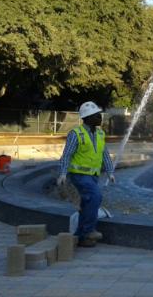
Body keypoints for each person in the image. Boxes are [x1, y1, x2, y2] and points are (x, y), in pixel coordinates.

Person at [57, 101, 115, 247]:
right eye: (96, 115)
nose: (100, 117)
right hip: (79, 175)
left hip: (93, 176)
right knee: (96, 196)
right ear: (87, 118)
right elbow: (66, 155)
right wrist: (63, 173)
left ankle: (80, 237)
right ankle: (89, 230)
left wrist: (110, 172)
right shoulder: (76, 134)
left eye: (99, 115)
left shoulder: (101, 134)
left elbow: (105, 155)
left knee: (86, 204)